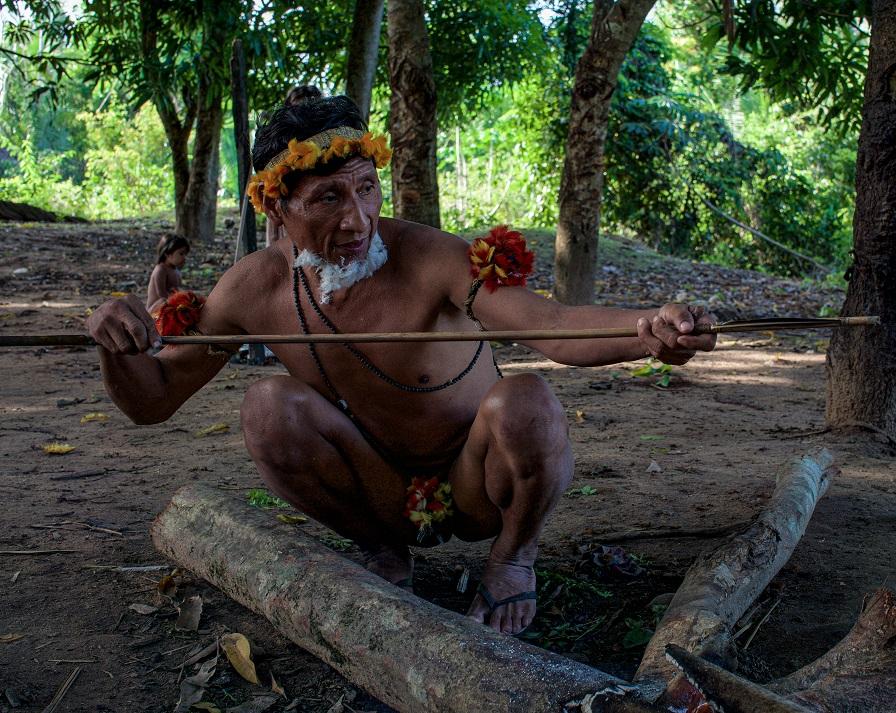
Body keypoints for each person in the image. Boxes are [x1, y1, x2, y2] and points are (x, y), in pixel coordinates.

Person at [86, 95, 716, 636]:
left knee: (527, 403)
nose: (358, 218)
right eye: (328, 197)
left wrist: (647, 331)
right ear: (276, 209)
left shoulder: (432, 257)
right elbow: (153, 398)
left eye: (366, 188)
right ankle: (383, 552)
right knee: (267, 407)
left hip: (478, 485)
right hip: (379, 488)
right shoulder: (251, 289)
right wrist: (117, 345)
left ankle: (513, 560)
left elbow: (551, 329)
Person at [266, 85, 324, 247]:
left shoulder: (326, 132)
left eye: (310, 103)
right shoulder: (281, 135)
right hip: (287, 194)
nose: (304, 108)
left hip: (317, 198)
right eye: (299, 104)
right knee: (283, 244)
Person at [146, 234, 190, 313]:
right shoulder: (160, 270)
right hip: (155, 309)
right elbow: (162, 295)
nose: (184, 257)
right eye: (181, 254)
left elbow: (175, 290)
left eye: (185, 254)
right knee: (164, 301)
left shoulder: (175, 270)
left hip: (169, 303)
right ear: (167, 254)